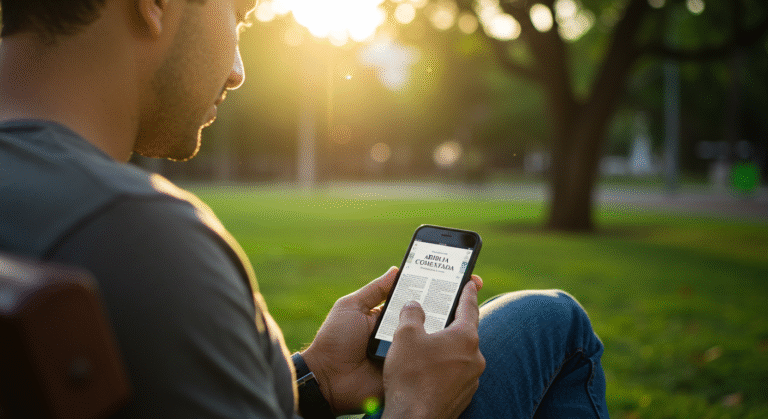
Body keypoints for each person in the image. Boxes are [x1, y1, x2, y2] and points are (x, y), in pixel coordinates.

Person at [0, 0, 610, 418]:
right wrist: (415, 406)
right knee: (555, 324)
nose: (238, 71)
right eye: (237, 15)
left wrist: (317, 377)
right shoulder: (136, 234)